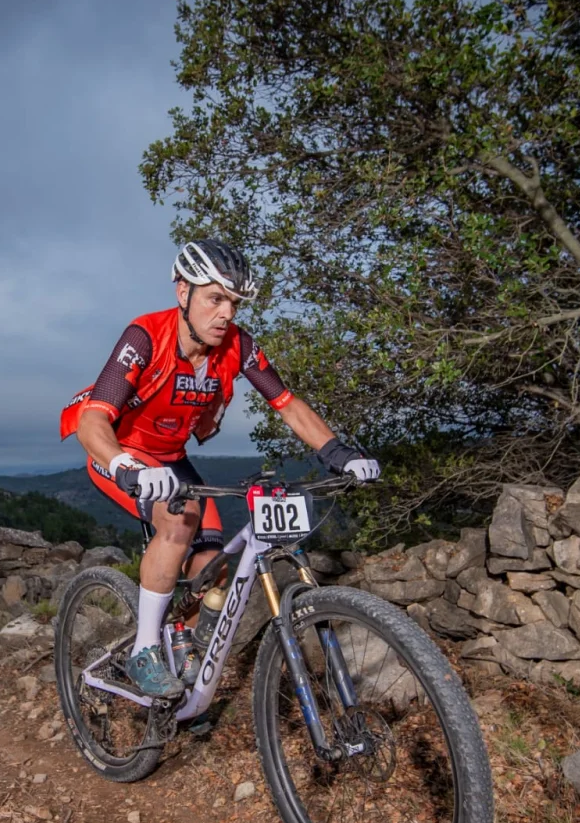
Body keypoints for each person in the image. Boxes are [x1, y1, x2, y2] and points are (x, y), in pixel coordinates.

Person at [59, 239, 380, 699]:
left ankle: (180, 637)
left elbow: (287, 405)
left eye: (233, 302)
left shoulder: (238, 346)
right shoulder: (145, 337)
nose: (226, 313)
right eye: (215, 298)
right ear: (183, 292)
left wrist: (338, 452)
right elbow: (93, 419)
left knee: (212, 565)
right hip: (119, 454)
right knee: (176, 520)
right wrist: (125, 464)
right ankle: (144, 650)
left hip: (171, 459)